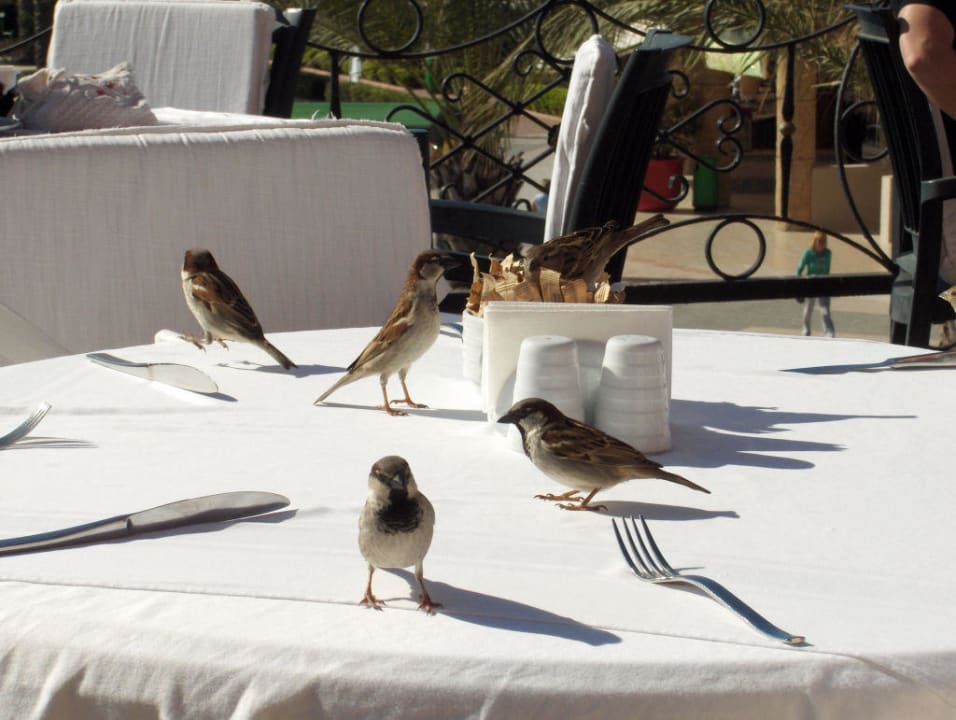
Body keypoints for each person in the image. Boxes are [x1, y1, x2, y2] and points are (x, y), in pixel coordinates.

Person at [796, 231, 835, 337]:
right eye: (819, 241)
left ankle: (829, 332)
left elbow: (827, 269)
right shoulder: (808, 253)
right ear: (814, 241)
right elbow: (800, 268)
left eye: (823, 241)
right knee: (808, 309)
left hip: (823, 282)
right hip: (811, 282)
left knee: (825, 310)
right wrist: (797, 284)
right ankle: (806, 330)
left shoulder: (827, 253)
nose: (821, 243)